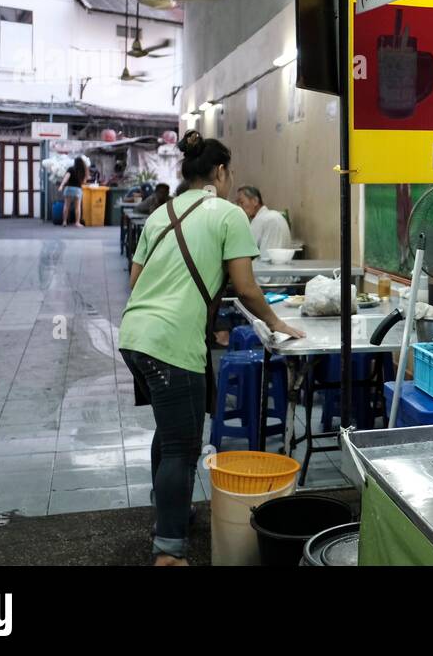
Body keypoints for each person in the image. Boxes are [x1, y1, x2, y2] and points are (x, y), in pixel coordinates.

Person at [118, 130, 303, 566]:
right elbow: (246, 286)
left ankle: (171, 514)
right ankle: (168, 552)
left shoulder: (162, 213)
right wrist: (277, 323)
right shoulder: (228, 214)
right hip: (171, 343)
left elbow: (134, 283)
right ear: (220, 172)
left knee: (169, 433)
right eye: (230, 172)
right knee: (182, 446)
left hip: (134, 336)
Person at [235, 185, 295, 255]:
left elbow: (249, 252)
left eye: (241, 202)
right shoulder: (274, 215)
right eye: (237, 203)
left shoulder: (262, 220)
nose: (238, 207)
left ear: (255, 201)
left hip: (267, 264)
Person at [58, 155, 88, 227]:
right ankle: (77, 222)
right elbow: (84, 181)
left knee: (66, 205)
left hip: (68, 189)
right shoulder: (83, 171)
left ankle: (64, 222)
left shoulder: (71, 169)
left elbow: (66, 178)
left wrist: (61, 185)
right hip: (77, 189)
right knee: (77, 207)